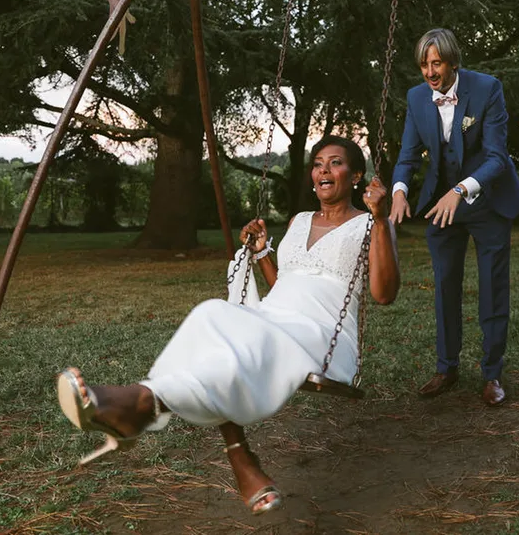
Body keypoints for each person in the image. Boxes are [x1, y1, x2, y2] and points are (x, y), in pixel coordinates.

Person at [57, 135, 400, 515]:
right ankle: (229, 448)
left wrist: (380, 219)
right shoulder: (299, 221)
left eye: (335, 163)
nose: (324, 170)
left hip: (322, 333)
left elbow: (384, 294)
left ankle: (141, 404)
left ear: (356, 176)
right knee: (212, 314)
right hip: (277, 317)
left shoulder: (370, 223)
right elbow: (285, 285)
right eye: (318, 163)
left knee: (241, 342)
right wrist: (262, 252)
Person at [389, 28, 519, 406]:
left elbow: (497, 158)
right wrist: (399, 191)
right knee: (445, 285)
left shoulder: (487, 89)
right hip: (441, 204)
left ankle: (492, 374)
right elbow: (407, 155)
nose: (430, 72)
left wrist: (461, 190)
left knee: (492, 287)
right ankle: (446, 369)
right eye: (424, 64)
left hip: (487, 201)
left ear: (453, 62)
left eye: (437, 63)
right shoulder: (417, 97)